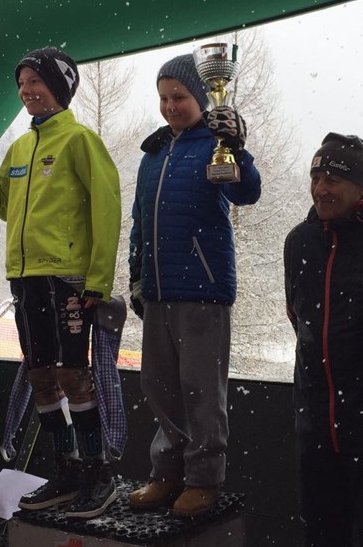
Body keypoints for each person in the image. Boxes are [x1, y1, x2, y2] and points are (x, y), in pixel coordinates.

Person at [0, 46, 122, 518]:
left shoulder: (80, 140)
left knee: (73, 375)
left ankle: (97, 474)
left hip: (66, 277)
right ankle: (65, 471)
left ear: (60, 87)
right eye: (22, 84)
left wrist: (97, 281)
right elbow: (5, 206)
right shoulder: (21, 148)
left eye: (36, 83)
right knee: (42, 376)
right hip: (24, 278)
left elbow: (107, 209)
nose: (27, 92)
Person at [127, 53, 261, 517]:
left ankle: (204, 479)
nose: (170, 106)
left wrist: (238, 149)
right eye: (163, 98)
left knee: (201, 390)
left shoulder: (217, 145)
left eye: (179, 97)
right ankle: (167, 473)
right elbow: (139, 220)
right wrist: (136, 274)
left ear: (203, 97)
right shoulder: (154, 153)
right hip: (159, 291)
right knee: (159, 386)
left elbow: (248, 192)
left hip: (203, 290)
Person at [284, 133, 363, 546]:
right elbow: (299, 321)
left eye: (332, 179)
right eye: (316, 177)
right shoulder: (299, 241)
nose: (320, 188)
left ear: (362, 187)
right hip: (315, 428)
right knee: (320, 534)